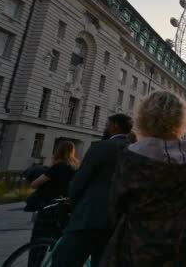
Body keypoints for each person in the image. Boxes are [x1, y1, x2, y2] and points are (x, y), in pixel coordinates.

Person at [100, 91, 186, 266]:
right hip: (181, 240)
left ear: (144, 116)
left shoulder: (132, 154)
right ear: (179, 119)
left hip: (141, 240)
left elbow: (116, 201)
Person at [51, 114, 132, 267]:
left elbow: (78, 182)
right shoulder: (135, 149)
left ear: (114, 126)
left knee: (64, 261)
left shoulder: (101, 147)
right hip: (118, 223)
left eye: (107, 124)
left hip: (89, 218)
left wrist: (75, 207)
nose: (105, 127)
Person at [25, 141, 78, 266]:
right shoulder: (75, 168)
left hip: (49, 207)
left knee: (38, 244)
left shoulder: (58, 167)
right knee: (58, 244)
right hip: (65, 209)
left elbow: (35, 183)